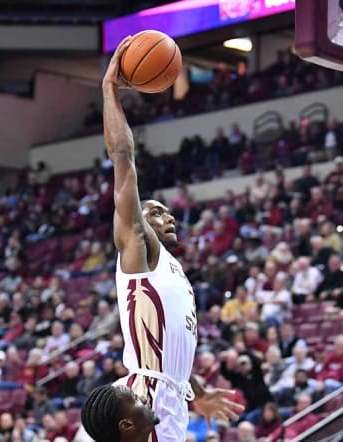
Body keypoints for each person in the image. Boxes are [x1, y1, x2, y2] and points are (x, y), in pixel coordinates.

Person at [84, 36, 243, 442]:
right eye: (153, 210)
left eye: (166, 210)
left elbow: (174, 344)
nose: (165, 214)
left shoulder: (171, 269)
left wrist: (197, 390)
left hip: (168, 398)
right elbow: (122, 157)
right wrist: (110, 90)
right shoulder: (138, 250)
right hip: (148, 399)